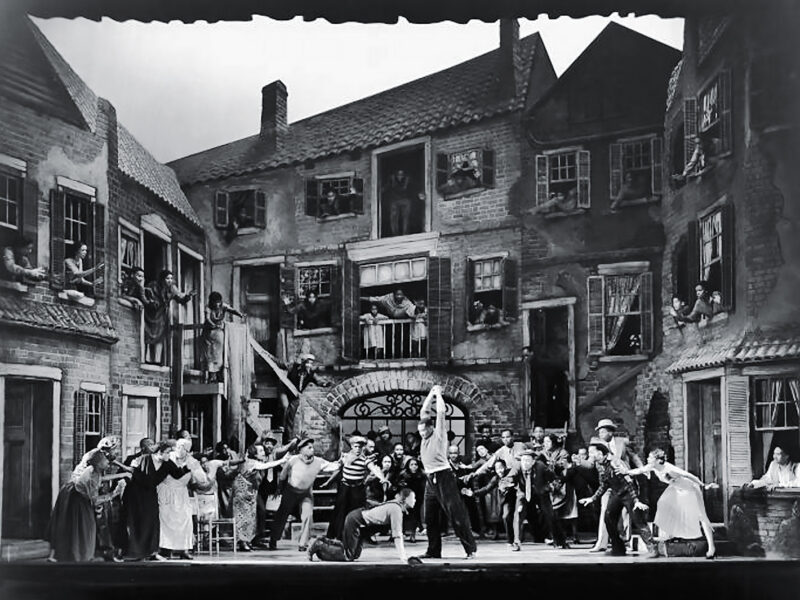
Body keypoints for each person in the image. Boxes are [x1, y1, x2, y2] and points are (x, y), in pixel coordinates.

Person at [416, 385, 477, 560]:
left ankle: (470, 550)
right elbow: (424, 410)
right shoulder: (424, 434)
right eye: (419, 431)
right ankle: (433, 550)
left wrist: (438, 394)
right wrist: (430, 393)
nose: (422, 434)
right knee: (430, 517)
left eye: (424, 430)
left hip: (444, 477)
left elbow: (441, 412)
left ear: (431, 428)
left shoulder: (439, 434)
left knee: (455, 514)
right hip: (430, 478)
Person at [626, 449, 717, 559]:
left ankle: (711, 548)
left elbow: (689, 476)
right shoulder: (652, 467)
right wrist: (625, 472)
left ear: (658, 460)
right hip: (676, 489)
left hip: (690, 489)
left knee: (701, 516)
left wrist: (704, 485)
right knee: (663, 504)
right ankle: (671, 534)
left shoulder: (669, 468)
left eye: (650, 457)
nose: (648, 459)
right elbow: (639, 470)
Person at [579, 439, 656, 558]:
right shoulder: (600, 464)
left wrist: (636, 500)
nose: (590, 455)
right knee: (608, 517)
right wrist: (593, 498)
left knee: (638, 519)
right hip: (617, 492)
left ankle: (652, 548)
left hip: (628, 492)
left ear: (600, 453)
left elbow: (628, 482)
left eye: (592, 452)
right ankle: (618, 547)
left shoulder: (615, 462)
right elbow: (604, 484)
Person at [308, 488, 418, 563]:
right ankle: (319, 545)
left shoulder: (397, 506)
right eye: (413, 498)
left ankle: (324, 543)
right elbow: (397, 535)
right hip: (356, 520)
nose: (415, 500)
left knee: (354, 554)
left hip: (360, 523)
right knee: (348, 556)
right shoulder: (396, 509)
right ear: (405, 499)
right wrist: (403, 557)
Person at [268, 438, 340, 551]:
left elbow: (334, 466)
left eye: (312, 447)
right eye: (309, 447)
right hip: (291, 491)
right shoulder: (293, 460)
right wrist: (279, 489)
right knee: (282, 514)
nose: (312, 449)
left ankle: (303, 543)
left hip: (306, 493)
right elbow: (283, 475)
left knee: (308, 515)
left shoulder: (319, 461)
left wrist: (342, 462)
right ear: (301, 450)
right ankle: (274, 538)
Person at [124, 440, 190, 561]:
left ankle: (151, 552)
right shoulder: (144, 459)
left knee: (152, 521)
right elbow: (133, 473)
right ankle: (136, 552)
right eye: (167, 452)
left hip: (150, 494)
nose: (169, 455)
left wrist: (188, 466)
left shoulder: (167, 463)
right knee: (137, 521)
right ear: (159, 452)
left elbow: (177, 474)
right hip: (136, 494)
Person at [47, 450, 111, 562]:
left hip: (71, 492)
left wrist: (123, 474)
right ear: (99, 462)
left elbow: (100, 479)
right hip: (76, 497)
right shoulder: (93, 474)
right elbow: (95, 500)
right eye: (106, 460)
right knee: (84, 526)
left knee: (72, 525)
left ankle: (70, 555)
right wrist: (114, 493)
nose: (108, 463)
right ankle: (80, 557)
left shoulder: (93, 469)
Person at [590, 418, 644, 553]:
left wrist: (642, 469)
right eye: (599, 432)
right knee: (606, 512)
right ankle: (602, 542)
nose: (600, 434)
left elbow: (633, 456)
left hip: (623, 481)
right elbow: (590, 463)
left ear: (610, 432)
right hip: (607, 483)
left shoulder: (622, 442)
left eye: (603, 432)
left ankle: (626, 540)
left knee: (626, 512)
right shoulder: (597, 445)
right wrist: (578, 462)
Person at [326, 436, 389, 540]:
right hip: (345, 488)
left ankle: (354, 535)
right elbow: (337, 468)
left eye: (360, 447)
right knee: (340, 511)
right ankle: (337, 535)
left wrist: (382, 478)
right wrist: (328, 481)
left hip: (357, 489)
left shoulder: (365, 459)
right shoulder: (345, 456)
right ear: (351, 447)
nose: (358, 449)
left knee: (355, 513)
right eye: (356, 447)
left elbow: (374, 469)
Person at [506, 449, 568, 551]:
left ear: (533, 462)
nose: (525, 463)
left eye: (528, 461)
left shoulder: (540, 466)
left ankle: (560, 541)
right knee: (518, 515)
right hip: (523, 494)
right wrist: (508, 483)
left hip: (540, 493)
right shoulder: (517, 466)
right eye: (523, 460)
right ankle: (516, 542)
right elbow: (509, 478)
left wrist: (553, 487)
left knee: (550, 515)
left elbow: (552, 477)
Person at [156, 438, 206, 559]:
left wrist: (194, 469)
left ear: (187, 451)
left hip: (181, 494)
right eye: (177, 447)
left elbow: (202, 479)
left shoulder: (192, 461)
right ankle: (165, 549)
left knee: (185, 521)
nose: (178, 450)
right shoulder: (169, 456)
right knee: (165, 520)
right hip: (166, 491)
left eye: (182, 448)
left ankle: (184, 549)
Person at [233, 444, 289, 551]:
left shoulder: (256, 462)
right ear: (254, 453)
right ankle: (242, 541)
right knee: (243, 518)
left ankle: (247, 540)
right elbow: (266, 466)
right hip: (243, 494)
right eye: (260, 451)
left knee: (250, 517)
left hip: (250, 493)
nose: (263, 453)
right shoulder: (251, 462)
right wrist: (282, 460)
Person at [144, 269, 195, 365]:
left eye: (171, 278)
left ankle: (157, 360)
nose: (170, 281)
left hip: (162, 315)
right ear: (162, 279)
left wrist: (188, 296)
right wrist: (151, 302)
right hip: (151, 313)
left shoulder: (172, 289)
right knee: (149, 335)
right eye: (167, 278)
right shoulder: (153, 286)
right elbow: (146, 295)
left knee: (160, 337)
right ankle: (147, 358)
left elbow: (180, 300)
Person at [201, 291, 245, 382]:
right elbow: (207, 319)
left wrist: (240, 314)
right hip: (209, 335)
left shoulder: (223, 306)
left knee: (219, 356)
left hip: (219, 335)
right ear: (212, 302)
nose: (217, 304)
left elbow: (232, 310)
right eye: (215, 302)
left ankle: (219, 376)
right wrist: (213, 325)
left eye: (218, 302)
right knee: (209, 357)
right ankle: (210, 377)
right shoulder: (208, 308)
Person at [543, 434, 579, 544]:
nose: (545, 444)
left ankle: (572, 535)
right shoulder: (544, 453)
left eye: (548, 442)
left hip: (564, 483)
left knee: (568, 511)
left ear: (553, 442)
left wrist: (552, 465)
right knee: (553, 512)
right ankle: (555, 536)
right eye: (545, 442)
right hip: (552, 483)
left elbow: (564, 466)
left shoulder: (563, 453)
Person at [473, 459, 515, 542]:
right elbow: (486, 489)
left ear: (505, 467)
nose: (499, 470)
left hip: (517, 499)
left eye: (501, 468)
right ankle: (511, 540)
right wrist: (473, 493)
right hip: (506, 501)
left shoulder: (511, 474)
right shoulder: (496, 478)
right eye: (497, 469)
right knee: (505, 516)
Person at [397, 457, 426, 542]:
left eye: (415, 464)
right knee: (404, 515)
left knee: (415, 515)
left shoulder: (422, 475)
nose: (414, 466)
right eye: (412, 464)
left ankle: (413, 534)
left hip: (418, 497)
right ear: (408, 466)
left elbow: (423, 487)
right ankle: (402, 533)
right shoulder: (403, 474)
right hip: (406, 497)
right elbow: (400, 485)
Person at [382, 169, 418, 237]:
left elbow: (415, 187)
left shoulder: (408, 179)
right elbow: (386, 187)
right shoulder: (392, 179)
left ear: (404, 175)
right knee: (394, 218)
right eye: (398, 174)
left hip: (406, 200)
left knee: (406, 218)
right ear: (396, 174)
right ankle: (395, 234)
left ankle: (405, 234)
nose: (400, 176)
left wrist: (419, 192)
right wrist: (382, 189)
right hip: (394, 200)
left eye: (402, 174)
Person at [212, 441, 240, 519]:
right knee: (224, 509)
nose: (226, 451)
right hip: (222, 488)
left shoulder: (232, 458)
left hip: (232, 488)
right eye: (223, 449)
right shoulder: (217, 461)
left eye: (227, 448)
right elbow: (223, 475)